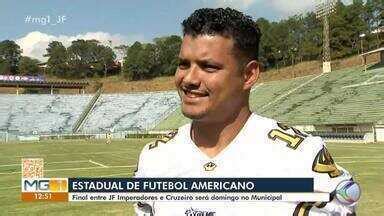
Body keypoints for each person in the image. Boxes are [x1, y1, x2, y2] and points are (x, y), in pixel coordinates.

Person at [134, 7, 357, 215]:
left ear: (249, 75)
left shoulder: (302, 158)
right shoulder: (154, 158)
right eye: (183, 64)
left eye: (209, 67)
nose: (189, 79)